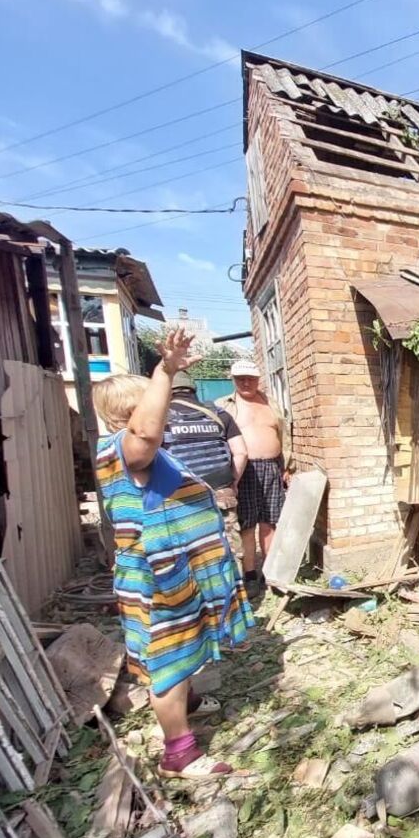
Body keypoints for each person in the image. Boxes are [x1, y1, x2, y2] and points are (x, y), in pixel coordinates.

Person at [91, 328, 255, 780]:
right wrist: (164, 369)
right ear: (131, 411)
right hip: (159, 577)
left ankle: (188, 704)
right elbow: (146, 430)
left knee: (185, 647)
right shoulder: (126, 449)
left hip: (177, 574)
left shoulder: (147, 454)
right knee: (167, 659)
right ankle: (178, 753)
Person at [217, 359, 287, 599]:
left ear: (259, 378)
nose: (246, 382)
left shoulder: (271, 403)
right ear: (233, 379)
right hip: (243, 472)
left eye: (250, 378)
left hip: (272, 469)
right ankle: (249, 576)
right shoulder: (223, 407)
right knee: (246, 526)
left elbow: (284, 434)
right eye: (240, 378)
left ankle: (270, 573)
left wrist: (287, 466)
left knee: (270, 523)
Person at [164, 371, 248, 554]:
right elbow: (240, 453)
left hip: (179, 494)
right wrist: (233, 482)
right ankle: (235, 581)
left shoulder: (160, 418)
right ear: (193, 389)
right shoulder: (219, 414)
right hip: (221, 488)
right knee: (229, 546)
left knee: (188, 548)